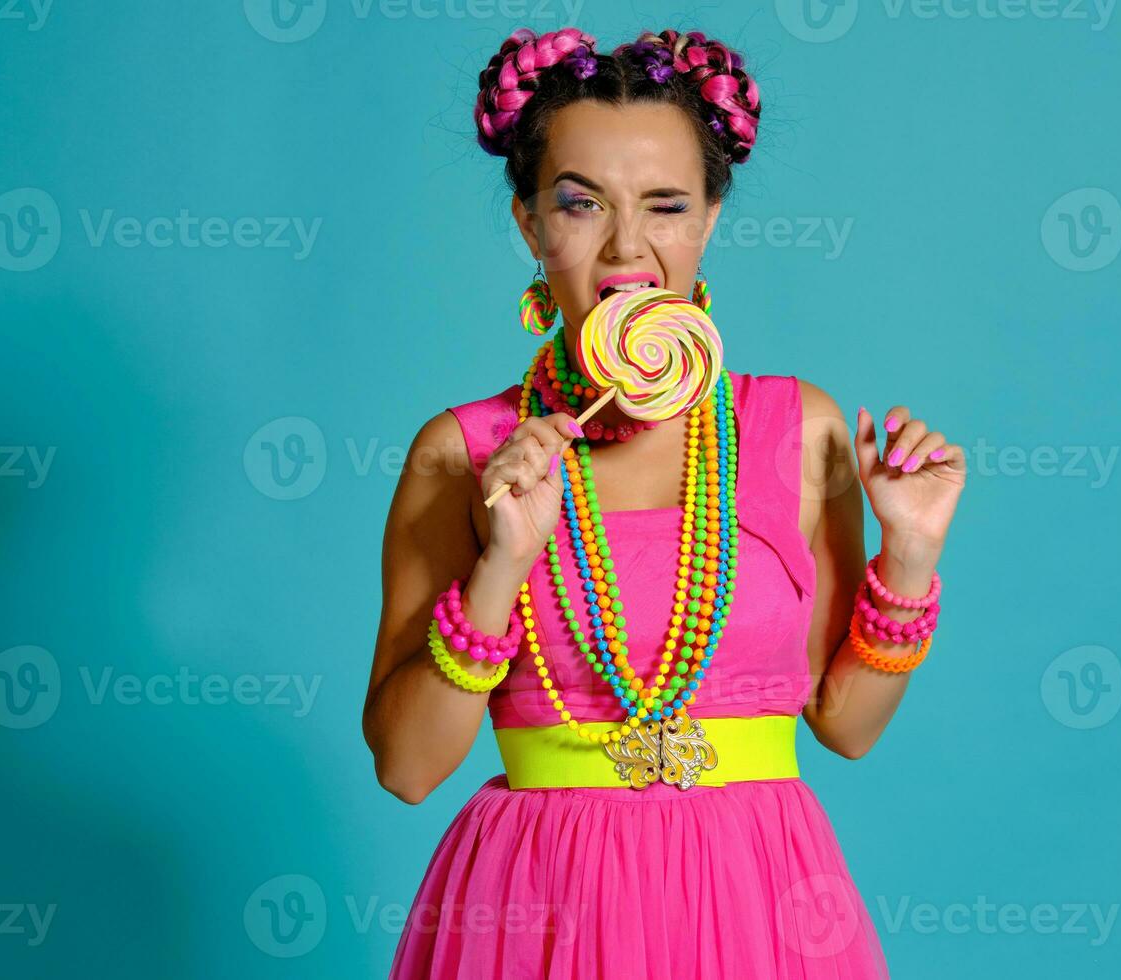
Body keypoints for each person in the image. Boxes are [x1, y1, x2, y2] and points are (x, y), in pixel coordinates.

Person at [362, 26, 967, 979]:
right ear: (527, 221)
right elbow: (406, 769)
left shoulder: (797, 430)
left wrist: (912, 557)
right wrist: (503, 565)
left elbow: (844, 727)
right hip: (539, 906)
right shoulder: (464, 453)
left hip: (761, 898)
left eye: (667, 205)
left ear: (711, 219)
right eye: (580, 203)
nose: (627, 247)